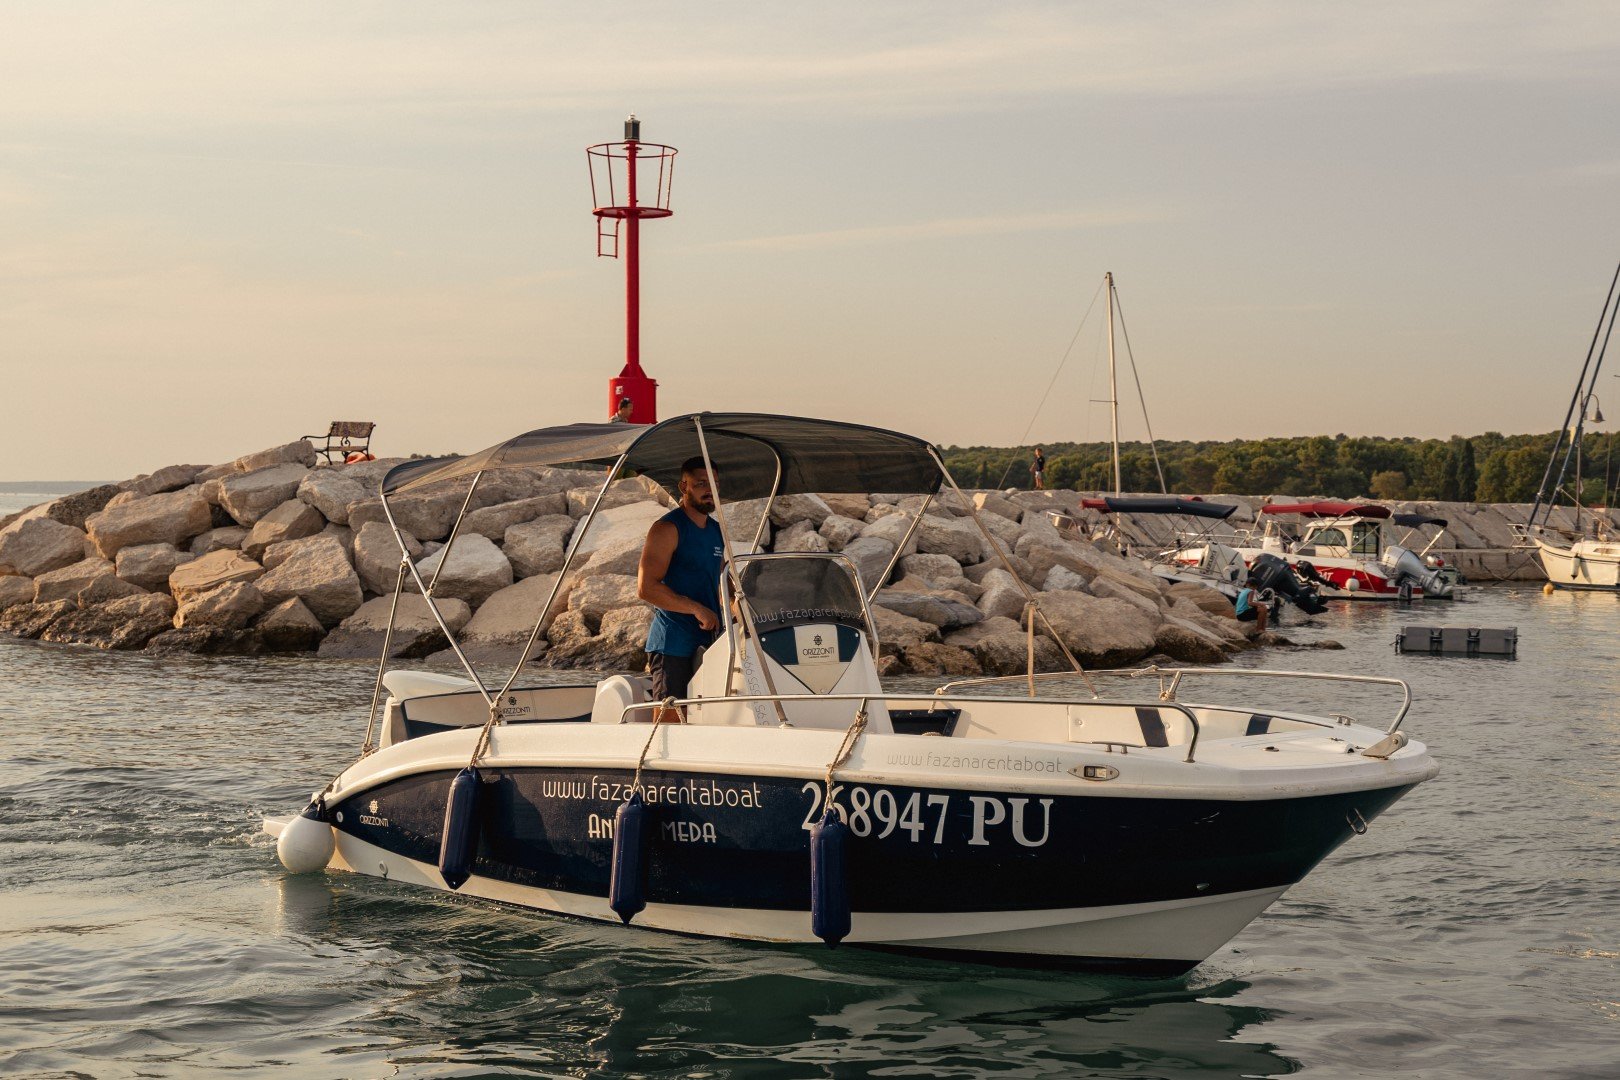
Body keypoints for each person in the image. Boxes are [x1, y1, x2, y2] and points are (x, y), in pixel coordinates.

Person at [637, 456, 725, 703]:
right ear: (683, 486)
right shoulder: (667, 529)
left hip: (710, 642)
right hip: (673, 644)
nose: (710, 490)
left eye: (715, 484)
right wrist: (696, 608)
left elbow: (720, 578)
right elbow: (646, 588)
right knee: (670, 721)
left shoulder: (716, 530)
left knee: (706, 716)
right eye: (701, 483)